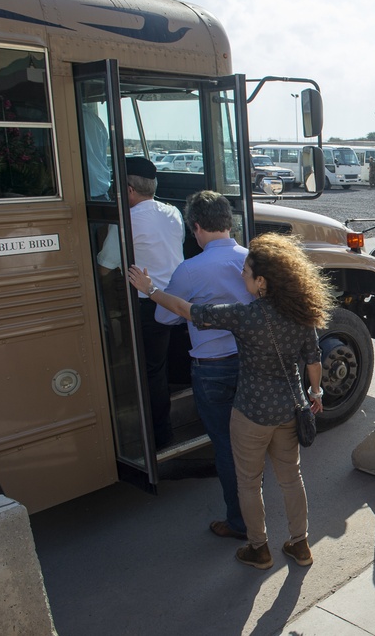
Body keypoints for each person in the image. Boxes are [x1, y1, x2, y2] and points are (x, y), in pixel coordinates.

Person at [129, 232, 329, 570]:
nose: (242, 275)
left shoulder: (244, 316)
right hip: (289, 408)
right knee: (291, 478)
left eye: (247, 271)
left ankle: (258, 549)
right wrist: (315, 393)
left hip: (250, 412)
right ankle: (300, 545)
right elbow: (313, 361)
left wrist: (149, 290)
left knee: (249, 483)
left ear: (263, 281)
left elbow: (185, 310)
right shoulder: (302, 313)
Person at [155, 190, 252, 540]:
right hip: (253, 362)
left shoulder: (190, 269)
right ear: (228, 222)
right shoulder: (252, 258)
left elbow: (164, 316)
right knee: (253, 441)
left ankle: (240, 522)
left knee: (226, 446)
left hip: (211, 368)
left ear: (196, 227)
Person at [97, 156, 184, 448]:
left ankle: (160, 436)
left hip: (149, 305)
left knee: (150, 373)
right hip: (177, 300)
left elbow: (105, 267)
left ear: (129, 191)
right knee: (162, 365)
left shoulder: (126, 221)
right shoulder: (173, 212)